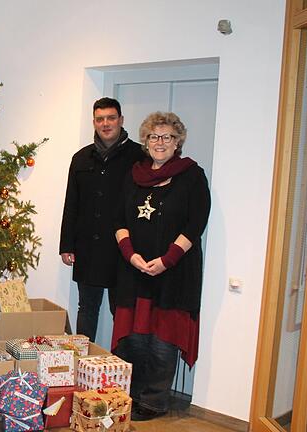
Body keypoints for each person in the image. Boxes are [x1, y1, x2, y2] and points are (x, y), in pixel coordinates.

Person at [111, 111, 210, 421]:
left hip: (174, 273)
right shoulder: (133, 175)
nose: (160, 142)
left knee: (162, 341)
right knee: (136, 338)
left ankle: (154, 402)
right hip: (135, 270)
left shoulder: (192, 176)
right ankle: (133, 395)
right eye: (154, 136)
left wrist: (166, 261)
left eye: (167, 136)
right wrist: (131, 256)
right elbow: (119, 220)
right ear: (146, 140)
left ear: (177, 141)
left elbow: (195, 225)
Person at [59, 97, 144, 342]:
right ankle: (82, 365)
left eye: (111, 118)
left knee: (123, 312)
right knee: (86, 310)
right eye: (100, 119)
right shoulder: (81, 158)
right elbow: (71, 203)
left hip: (125, 249)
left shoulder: (139, 156)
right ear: (94, 122)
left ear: (121, 120)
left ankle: (119, 366)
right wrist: (67, 245)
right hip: (89, 248)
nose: (106, 123)